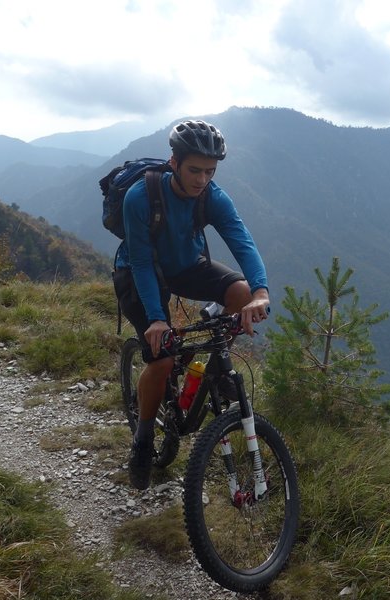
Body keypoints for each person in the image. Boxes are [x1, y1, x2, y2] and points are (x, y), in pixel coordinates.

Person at [112, 119, 270, 490]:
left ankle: (210, 364)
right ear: (174, 163)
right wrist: (156, 320)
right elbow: (140, 262)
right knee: (163, 358)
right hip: (139, 273)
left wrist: (261, 291)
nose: (202, 179)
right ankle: (143, 438)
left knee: (241, 295)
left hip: (186, 266)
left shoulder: (212, 197)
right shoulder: (141, 196)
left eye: (209, 171)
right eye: (194, 170)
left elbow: (241, 240)